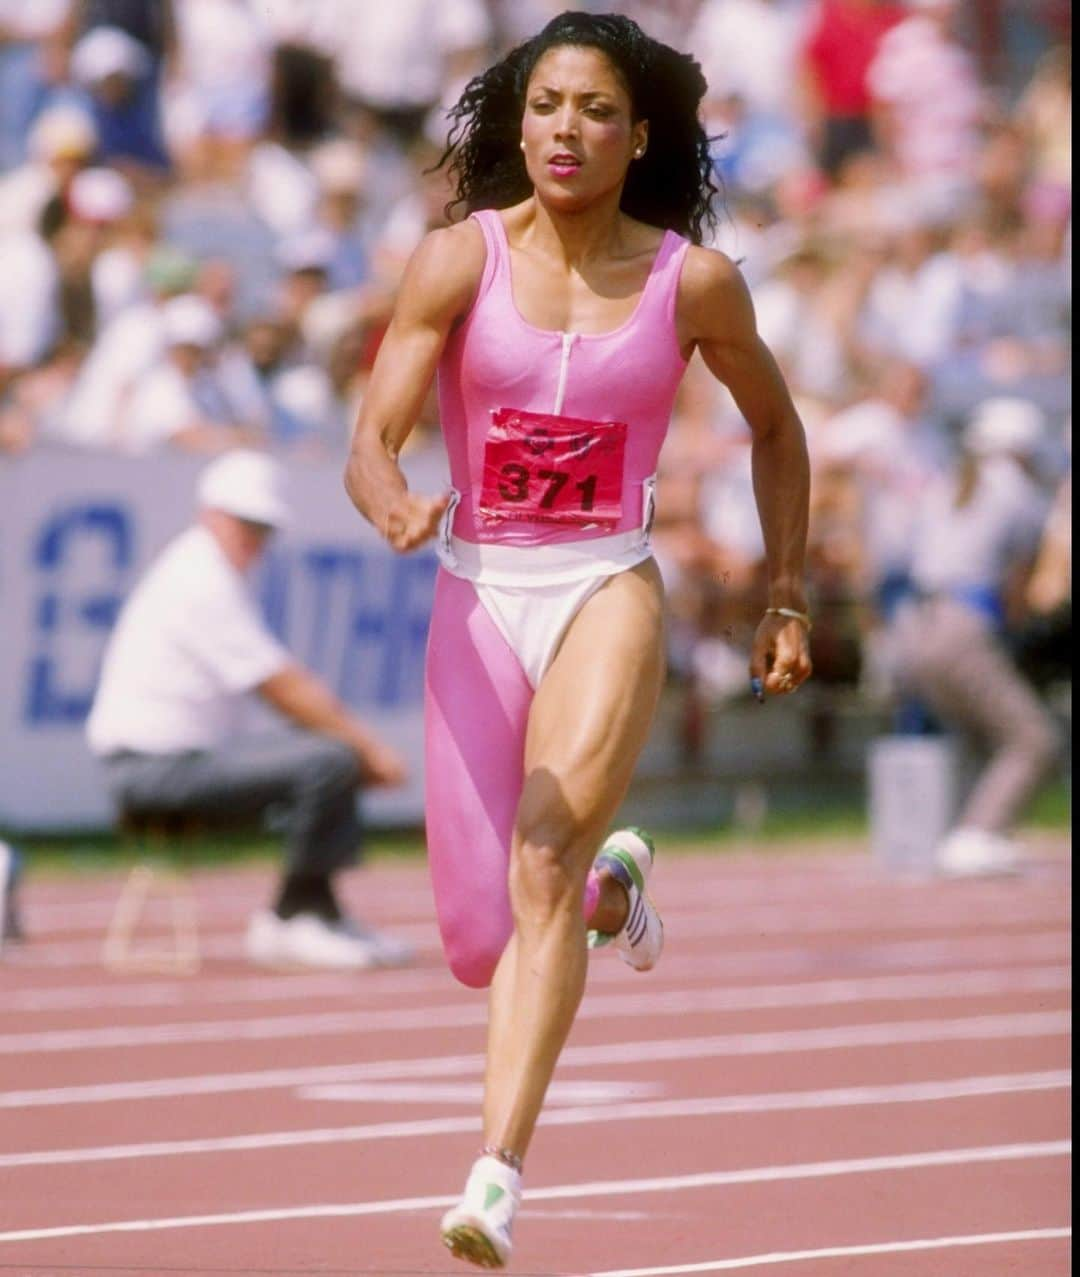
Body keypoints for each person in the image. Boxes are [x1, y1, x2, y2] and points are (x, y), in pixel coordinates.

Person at [343, 12, 811, 1268]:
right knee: (478, 935)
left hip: (606, 578)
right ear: (519, 120)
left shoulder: (692, 282)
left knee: (540, 860)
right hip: (477, 585)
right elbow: (372, 436)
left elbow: (777, 428)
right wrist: (393, 502)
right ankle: (620, 889)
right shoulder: (456, 263)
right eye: (547, 104)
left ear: (638, 134)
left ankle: (495, 1171)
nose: (567, 129)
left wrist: (782, 592)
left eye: (597, 110)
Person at [86, 449, 412, 970]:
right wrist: (369, 750)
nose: (255, 539)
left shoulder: (203, 570)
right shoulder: (199, 579)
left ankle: (318, 909)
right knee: (328, 760)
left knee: (329, 758)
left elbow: (277, 685)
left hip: (171, 764)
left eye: (264, 527)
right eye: (246, 522)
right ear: (209, 513)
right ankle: (293, 917)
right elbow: (280, 685)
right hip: (151, 773)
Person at [888, 397, 1062, 877]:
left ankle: (964, 831)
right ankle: (979, 834)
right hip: (962, 626)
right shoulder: (1017, 492)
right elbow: (1024, 586)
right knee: (1033, 738)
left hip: (915, 625)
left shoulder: (946, 483)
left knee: (981, 736)